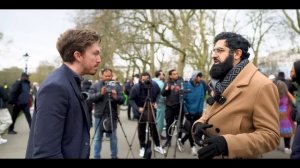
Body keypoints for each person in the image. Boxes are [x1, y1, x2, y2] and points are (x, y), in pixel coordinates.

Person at [192, 32, 280, 159]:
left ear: (237, 54)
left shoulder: (262, 85)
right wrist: (199, 124)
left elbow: (271, 136)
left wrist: (227, 144)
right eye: (213, 51)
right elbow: (212, 112)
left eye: (220, 51)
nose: (214, 55)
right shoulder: (221, 81)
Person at [25, 28, 101, 158]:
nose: (99, 59)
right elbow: (47, 153)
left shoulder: (69, 81)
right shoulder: (56, 87)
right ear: (78, 55)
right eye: (95, 54)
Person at [88, 68, 125, 159]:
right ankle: (96, 156)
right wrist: (100, 94)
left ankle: (114, 156)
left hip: (112, 115)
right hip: (99, 115)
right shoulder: (96, 85)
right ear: (101, 76)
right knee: (97, 138)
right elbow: (90, 98)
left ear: (112, 76)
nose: (108, 78)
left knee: (113, 138)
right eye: (106, 76)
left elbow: (123, 99)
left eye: (109, 76)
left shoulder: (116, 86)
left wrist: (116, 97)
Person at [128, 72, 166, 157]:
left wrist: (156, 102)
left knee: (153, 128)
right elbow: (131, 100)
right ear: (141, 79)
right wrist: (137, 108)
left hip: (151, 109)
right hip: (140, 110)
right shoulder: (136, 87)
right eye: (143, 79)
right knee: (141, 129)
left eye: (147, 79)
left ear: (150, 78)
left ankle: (157, 145)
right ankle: (142, 147)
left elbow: (159, 94)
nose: (145, 81)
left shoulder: (154, 85)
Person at [178, 70, 206, 156]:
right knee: (190, 129)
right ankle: (192, 146)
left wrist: (201, 110)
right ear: (194, 76)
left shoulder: (201, 85)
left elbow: (202, 98)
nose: (200, 78)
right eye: (198, 76)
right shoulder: (186, 84)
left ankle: (182, 141)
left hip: (198, 112)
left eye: (201, 76)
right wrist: (186, 112)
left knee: (194, 130)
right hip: (189, 112)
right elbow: (182, 99)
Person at [152, 70, 166, 140]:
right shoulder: (161, 83)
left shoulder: (151, 81)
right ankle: (158, 134)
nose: (163, 76)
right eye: (162, 74)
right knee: (160, 120)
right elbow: (163, 95)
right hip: (160, 103)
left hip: (152, 103)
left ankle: (153, 133)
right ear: (159, 75)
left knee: (154, 119)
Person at [291, 60, 300, 159]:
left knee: (296, 152)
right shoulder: (297, 85)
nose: (291, 74)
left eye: (293, 71)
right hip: (298, 122)